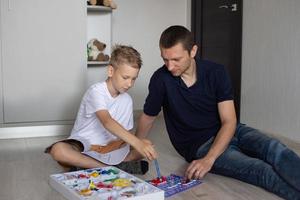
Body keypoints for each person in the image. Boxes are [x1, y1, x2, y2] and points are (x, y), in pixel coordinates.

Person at [135, 25, 300, 199]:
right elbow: (148, 118)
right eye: (165, 59)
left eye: (176, 59)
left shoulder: (216, 72)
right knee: (260, 170)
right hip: (199, 145)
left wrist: (210, 159)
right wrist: (135, 147)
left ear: (193, 51)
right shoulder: (161, 79)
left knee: (275, 148)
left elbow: (229, 121)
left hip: (232, 130)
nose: (169, 66)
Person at [46, 45, 157, 174]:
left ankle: (89, 167)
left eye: (134, 79)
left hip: (109, 150)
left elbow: (124, 136)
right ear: (110, 71)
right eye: (125, 78)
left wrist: (133, 146)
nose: (129, 84)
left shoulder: (127, 100)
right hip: (85, 147)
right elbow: (107, 122)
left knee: (147, 144)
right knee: (58, 150)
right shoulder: (96, 91)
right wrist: (137, 143)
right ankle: (112, 168)